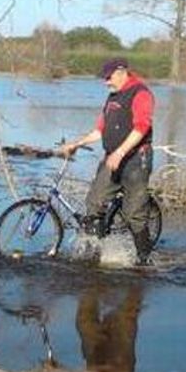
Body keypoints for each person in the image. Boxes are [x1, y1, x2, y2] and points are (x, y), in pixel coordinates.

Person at [60, 57, 156, 265]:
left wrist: (120, 153)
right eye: (105, 78)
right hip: (112, 157)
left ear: (121, 72)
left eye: (109, 77)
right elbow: (99, 131)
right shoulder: (112, 98)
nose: (106, 82)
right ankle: (95, 255)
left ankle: (144, 261)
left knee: (134, 213)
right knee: (94, 202)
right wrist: (77, 143)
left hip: (136, 159)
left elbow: (142, 127)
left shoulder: (141, 94)